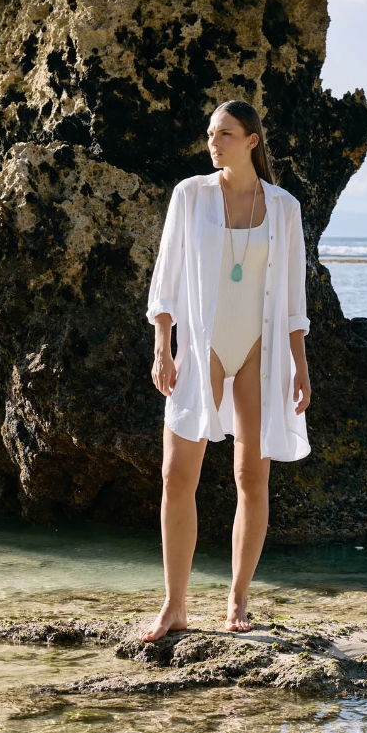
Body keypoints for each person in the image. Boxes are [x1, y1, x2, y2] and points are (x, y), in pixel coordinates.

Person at [143, 99, 312, 641]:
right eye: (211, 133)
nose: (213, 143)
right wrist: (163, 347)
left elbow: (294, 298)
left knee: (252, 478)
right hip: (203, 346)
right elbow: (167, 276)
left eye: (225, 134)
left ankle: (238, 600)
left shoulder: (284, 208)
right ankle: (174, 605)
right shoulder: (190, 195)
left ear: (252, 141)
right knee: (176, 475)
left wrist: (300, 365)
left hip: (262, 349)